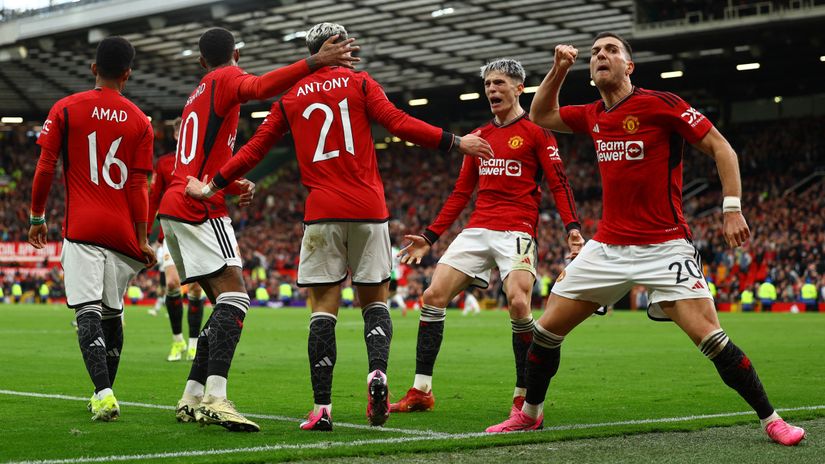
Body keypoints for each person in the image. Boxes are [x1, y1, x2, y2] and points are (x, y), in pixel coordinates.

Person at [485, 32, 806, 446]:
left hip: (665, 245)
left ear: (629, 66)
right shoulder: (593, 114)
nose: (601, 55)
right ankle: (530, 414)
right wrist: (561, 67)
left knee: (711, 338)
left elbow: (722, 148)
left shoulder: (661, 104)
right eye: (596, 52)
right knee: (545, 332)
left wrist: (731, 208)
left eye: (611, 50)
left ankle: (772, 419)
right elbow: (542, 113)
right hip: (607, 247)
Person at [185, 22, 493, 431]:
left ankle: (322, 409)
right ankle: (377, 373)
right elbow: (398, 123)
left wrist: (215, 184)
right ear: (336, 49)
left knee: (323, 311)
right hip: (370, 209)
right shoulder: (362, 84)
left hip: (322, 213)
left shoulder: (290, 96)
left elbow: (255, 149)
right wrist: (456, 142)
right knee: (375, 304)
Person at [159, 26, 359, 433]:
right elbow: (262, 86)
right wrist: (313, 63)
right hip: (199, 207)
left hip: (176, 204)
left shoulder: (199, 89)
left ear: (201, 60)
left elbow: (199, 157)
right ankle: (216, 396)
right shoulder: (226, 77)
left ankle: (192, 396)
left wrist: (232, 183)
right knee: (236, 300)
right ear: (235, 54)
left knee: (222, 304)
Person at [390, 59, 581, 417]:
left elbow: (559, 182)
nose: (491, 89)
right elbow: (461, 193)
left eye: (499, 83)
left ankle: (523, 394)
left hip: (517, 230)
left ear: (518, 88)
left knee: (520, 304)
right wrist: (430, 237)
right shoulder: (477, 138)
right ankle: (421, 390)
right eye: (488, 84)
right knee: (432, 295)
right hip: (478, 228)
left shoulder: (538, 132)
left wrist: (572, 227)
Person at [28, 36, 157, 422]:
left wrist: (37, 216)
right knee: (113, 314)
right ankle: (102, 391)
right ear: (128, 74)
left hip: (83, 227)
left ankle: (103, 393)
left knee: (87, 310)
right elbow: (138, 186)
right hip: (122, 233)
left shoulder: (67, 108)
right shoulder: (141, 121)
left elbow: (45, 166)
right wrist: (143, 238)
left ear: (93, 68)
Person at [147, 117, 206, 362]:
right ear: (176, 135)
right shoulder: (164, 163)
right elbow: (153, 198)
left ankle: (193, 343)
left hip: (197, 232)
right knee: (172, 284)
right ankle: (177, 341)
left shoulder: (203, 161)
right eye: (182, 132)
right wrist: (144, 235)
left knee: (195, 288)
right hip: (170, 234)